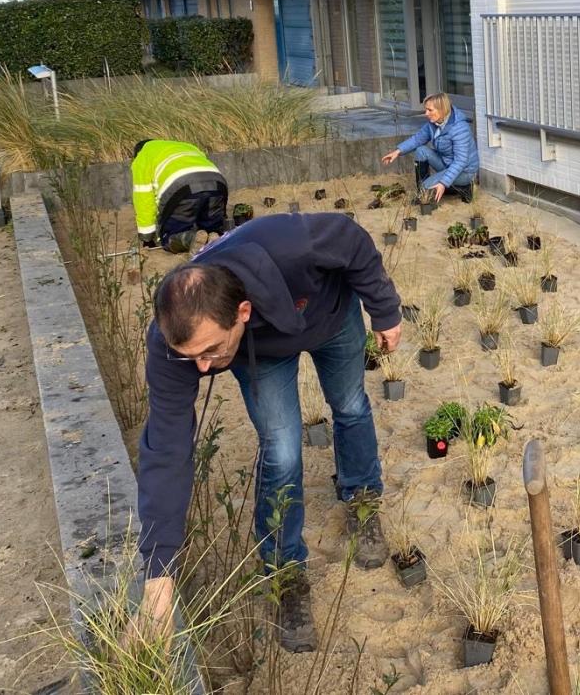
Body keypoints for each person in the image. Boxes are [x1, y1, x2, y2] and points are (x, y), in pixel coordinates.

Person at [133, 212, 402, 653]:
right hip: (262, 352)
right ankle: (285, 570)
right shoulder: (174, 345)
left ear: (242, 311)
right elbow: (166, 446)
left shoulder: (292, 244)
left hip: (330, 318)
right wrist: (158, 580)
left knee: (351, 407)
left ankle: (361, 497)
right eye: (191, 358)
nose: (201, 368)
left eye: (209, 352)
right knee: (281, 449)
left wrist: (384, 310)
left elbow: (353, 240)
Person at [131, 139, 228, 254]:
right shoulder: (186, 146)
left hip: (181, 187)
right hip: (217, 183)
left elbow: (144, 200)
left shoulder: (143, 156)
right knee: (211, 227)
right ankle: (214, 236)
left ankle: (189, 239)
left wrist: (147, 237)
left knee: (170, 237)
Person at [380, 92, 479, 203]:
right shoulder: (433, 123)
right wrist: (397, 152)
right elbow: (417, 139)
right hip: (447, 164)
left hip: (465, 172)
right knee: (421, 151)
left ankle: (464, 187)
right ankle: (424, 192)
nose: (426, 113)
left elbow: (461, 161)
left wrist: (443, 182)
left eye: (430, 110)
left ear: (442, 109)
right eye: (426, 109)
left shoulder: (460, 128)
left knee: (426, 186)